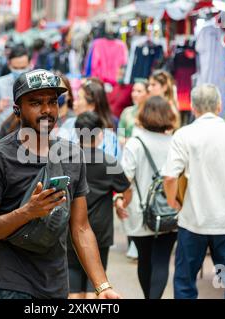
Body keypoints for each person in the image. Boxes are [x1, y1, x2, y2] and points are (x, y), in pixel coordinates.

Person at [0, 69, 121, 299]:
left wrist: (102, 286)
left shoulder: (72, 155)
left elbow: (81, 228)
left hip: (56, 282)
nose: (46, 110)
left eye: (52, 101)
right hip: (12, 282)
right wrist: (27, 213)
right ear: (17, 109)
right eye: (35, 102)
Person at [163, 84, 225, 299]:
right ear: (219, 105)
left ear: (193, 107)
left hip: (193, 220)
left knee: (186, 280)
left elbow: (170, 177)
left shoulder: (184, 135)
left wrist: (173, 202)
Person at [115, 96, 177, 299]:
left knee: (144, 259)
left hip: (140, 212)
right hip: (169, 210)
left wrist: (120, 200)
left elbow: (126, 178)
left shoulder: (135, 143)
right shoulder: (176, 142)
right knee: (161, 260)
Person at [68, 111, 130, 299]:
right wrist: (119, 202)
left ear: (77, 133)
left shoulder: (66, 160)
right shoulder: (109, 162)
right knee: (96, 283)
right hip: (99, 231)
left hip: (69, 228)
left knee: (72, 282)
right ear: (101, 134)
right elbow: (127, 190)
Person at [58, 80, 122, 160]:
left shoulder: (109, 138)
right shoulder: (68, 124)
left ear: (92, 105)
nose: (74, 103)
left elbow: (112, 168)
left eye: (79, 99)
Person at [0, 45, 31, 135]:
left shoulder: (37, 83)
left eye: (23, 68)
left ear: (30, 64)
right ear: (9, 65)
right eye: (16, 68)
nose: (19, 71)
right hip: (5, 138)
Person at [118, 80, 150, 146]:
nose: (134, 94)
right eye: (133, 91)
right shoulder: (127, 111)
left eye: (139, 91)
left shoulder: (153, 114)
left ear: (148, 94)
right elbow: (120, 135)